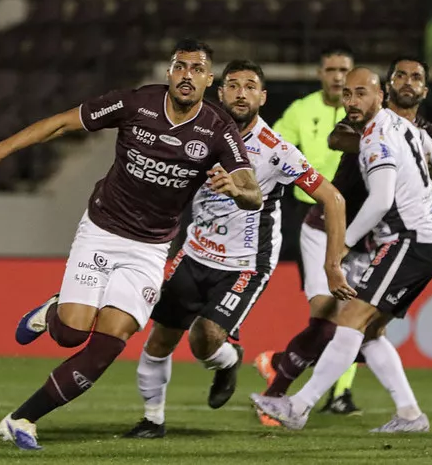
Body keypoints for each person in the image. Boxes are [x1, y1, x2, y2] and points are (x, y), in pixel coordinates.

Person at [0, 39, 263, 451]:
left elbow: (253, 193)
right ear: (169, 72)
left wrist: (235, 188)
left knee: (107, 346)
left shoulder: (217, 129)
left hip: (150, 250)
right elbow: (62, 123)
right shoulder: (136, 104)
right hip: (102, 232)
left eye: (197, 69)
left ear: (209, 80)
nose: (187, 75)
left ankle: (21, 420)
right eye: (180, 67)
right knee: (70, 335)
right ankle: (55, 310)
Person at [123, 60, 349, 439]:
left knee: (204, 339)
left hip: (245, 263)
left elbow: (333, 198)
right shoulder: (199, 134)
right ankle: (152, 419)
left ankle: (229, 360)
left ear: (262, 96)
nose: (241, 93)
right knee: (161, 337)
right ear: (219, 92)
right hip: (194, 252)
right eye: (233, 85)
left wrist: (333, 264)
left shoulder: (276, 150)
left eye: (250, 86)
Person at [250, 67, 432, 431]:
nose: (352, 101)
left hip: (407, 241)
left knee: (349, 320)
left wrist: (342, 247)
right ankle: (410, 415)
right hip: (426, 243)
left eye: (361, 93)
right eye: (347, 94)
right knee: (370, 331)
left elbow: (380, 201)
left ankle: (297, 407)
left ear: (380, 95)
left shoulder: (376, 136)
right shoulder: (406, 127)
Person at [272, 43, 359, 411]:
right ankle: (285, 363)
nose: (338, 77)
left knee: (355, 308)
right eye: (331, 70)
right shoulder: (301, 110)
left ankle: (340, 393)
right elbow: (274, 146)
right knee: (326, 308)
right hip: (312, 218)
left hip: (357, 218)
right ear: (321, 73)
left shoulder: (365, 110)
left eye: (344, 70)